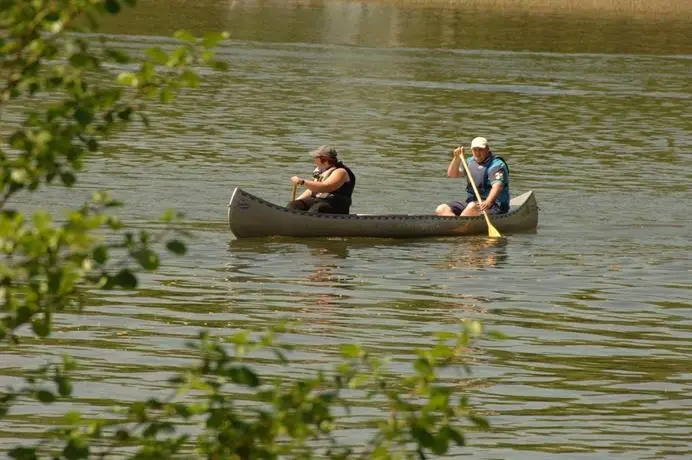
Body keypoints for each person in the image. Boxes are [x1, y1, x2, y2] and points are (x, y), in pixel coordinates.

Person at [435, 137, 510, 217]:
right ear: (471, 150)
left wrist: (488, 201)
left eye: (480, 149)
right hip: (472, 203)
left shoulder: (497, 165)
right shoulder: (469, 162)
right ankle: (455, 227)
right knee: (442, 208)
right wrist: (457, 158)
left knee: (472, 207)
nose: (477, 153)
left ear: (487, 149)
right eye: (475, 150)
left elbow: (497, 187)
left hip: (495, 205)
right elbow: (452, 174)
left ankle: (458, 227)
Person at [287, 145, 356, 214]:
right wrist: (297, 200)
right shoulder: (320, 171)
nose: (314, 159)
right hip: (320, 201)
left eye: (316, 157)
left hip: (337, 204)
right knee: (294, 205)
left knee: (318, 208)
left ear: (325, 160)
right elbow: (312, 190)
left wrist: (302, 182)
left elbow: (325, 187)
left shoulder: (340, 172)